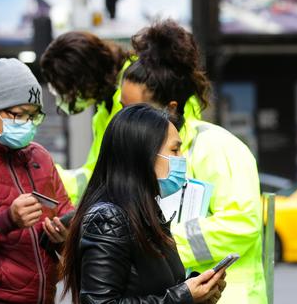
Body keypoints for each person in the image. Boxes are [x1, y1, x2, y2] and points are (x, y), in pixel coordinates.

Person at [120, 19, 267, 304]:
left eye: (137, 109)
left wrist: (163, 245)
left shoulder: (216, 147)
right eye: (124, 108)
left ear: (170, 107)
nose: (126, 119)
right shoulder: (138, 152)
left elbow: (241, 223)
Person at [60, 104, 226, 304]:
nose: (181, 158)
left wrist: (197, 293)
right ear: (144, 155)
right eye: (174, 150)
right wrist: (183, 296)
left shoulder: (147, 213)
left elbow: (158, 289)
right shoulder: (108, 218)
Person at [0, 58, 73, 303]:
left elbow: (65, 212)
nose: (27, 125)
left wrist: (64, 235)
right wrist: (5, 221)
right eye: (18, 115)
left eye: (33, 116)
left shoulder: (39, 156)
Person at [40, 31, 133, 204]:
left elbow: (113, 181)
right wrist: (49, 177)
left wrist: (49, 177)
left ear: (85, 78)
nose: (65, 98)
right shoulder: (104, 111)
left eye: (66, 90)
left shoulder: (131, 93)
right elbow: (94, 175)